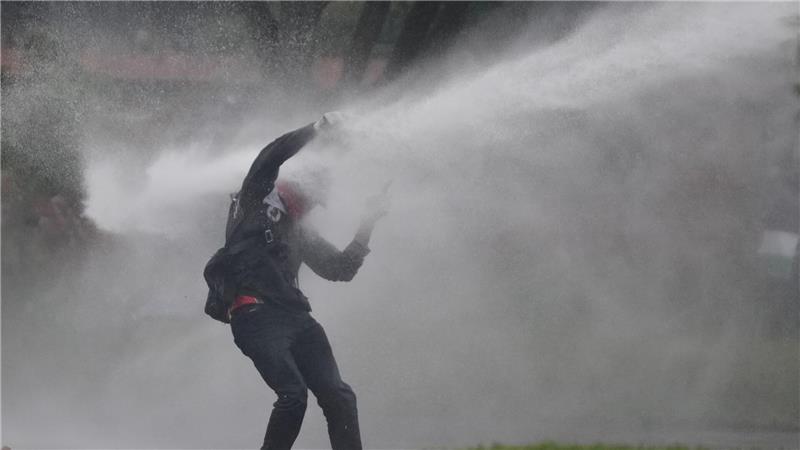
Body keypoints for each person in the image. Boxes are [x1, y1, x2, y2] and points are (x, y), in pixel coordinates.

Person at [224, 113, 388, 450]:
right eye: (313, 197)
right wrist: (316, 130)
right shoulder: (254, 199)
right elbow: (272, 153)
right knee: (293, 395)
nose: (314, 205)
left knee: (340, 397)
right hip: (255, 316)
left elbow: (341, 268)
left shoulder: (301, 231)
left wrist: (368, 221)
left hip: (296, 319)